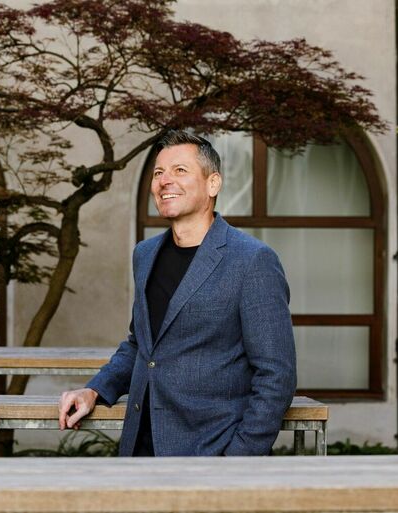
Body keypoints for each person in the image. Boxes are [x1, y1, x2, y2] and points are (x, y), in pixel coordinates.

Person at [58, 129, 296, 456]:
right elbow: (141, 345)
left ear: (213, 184)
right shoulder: (145, 254)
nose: (165, 180)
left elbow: (276, 376)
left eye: (180, 171)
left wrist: (239, 459)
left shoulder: (252, 260)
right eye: (158, 173)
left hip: (212, 454)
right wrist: (95, 391)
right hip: (140, 448)